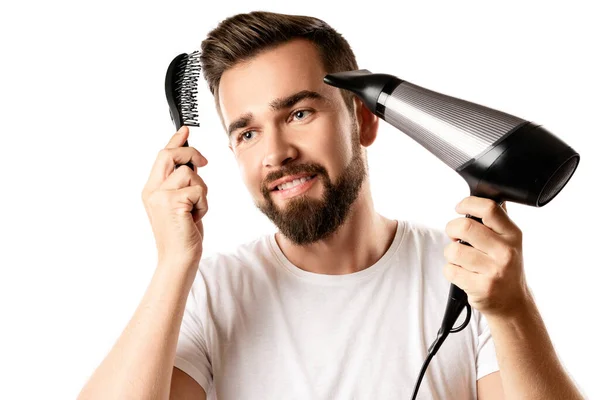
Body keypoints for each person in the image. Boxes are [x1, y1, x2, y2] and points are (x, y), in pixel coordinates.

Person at [77, 11, 585, 400]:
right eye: (248, 132)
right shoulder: (209, 293)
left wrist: (512, 310)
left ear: (363, 122)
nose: (276, 153)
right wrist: (173, 264)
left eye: (298, 113)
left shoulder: (470, 281)